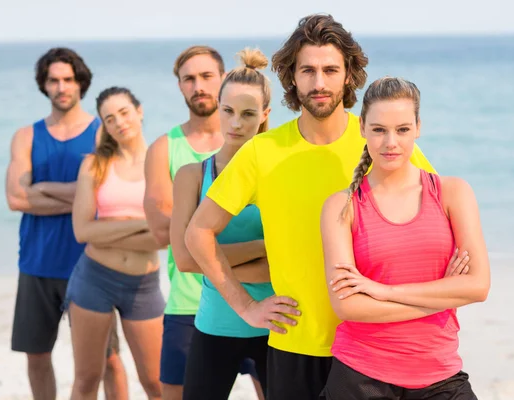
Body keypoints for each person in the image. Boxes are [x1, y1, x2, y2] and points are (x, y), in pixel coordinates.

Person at [184, 14, 437, 400]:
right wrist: (246, 306)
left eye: (330, 70)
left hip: (373, 346)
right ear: (291, 76)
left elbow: (435, 216)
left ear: (350, 75)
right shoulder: (261, 152)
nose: (319, 83)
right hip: (294, 346)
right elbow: (198, 233)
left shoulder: (380, 140)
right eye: (308, 70)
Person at [319, 76, 490, 399]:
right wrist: (442, 298)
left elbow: (478, 286)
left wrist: (384, 291)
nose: (390, 143)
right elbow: (349, 306)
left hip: (440, 373)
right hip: (360, 376)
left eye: (402, 129)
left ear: (418, 127)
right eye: (379, 129)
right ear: (362, 128)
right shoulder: (341, 206)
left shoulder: (453, 193)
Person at [5, 47, 127, 400]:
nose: (61, 87)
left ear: (80, 83)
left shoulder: (101, 133)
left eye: (68, 79)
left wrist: (41, 188)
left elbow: (108, 197)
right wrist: (79, 195)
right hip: (36, 266)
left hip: (91, 266)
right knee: (37, 355)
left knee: (109, 359)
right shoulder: (25, 137)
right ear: (44, 85)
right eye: (53, 80)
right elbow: (15, 199)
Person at [144, 45, 263, 399]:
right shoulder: (174, 155)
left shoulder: (271, 162)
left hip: (270, 311)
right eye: (189, 78)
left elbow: (290, 258)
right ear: (179, 85)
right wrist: (263, 248)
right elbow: (173, 243)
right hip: (192, 307)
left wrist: (209, 251)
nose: (198, 85)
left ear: (224, 78)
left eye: (207, 76)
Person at [67, 86, 165, 400]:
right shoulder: (94, 165)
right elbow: (82, 231)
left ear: (139, 111)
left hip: (143, 285)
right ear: (104, 126)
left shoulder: (162, 164)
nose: (119, 122)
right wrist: (140, 222)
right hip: (94, 278)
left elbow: (164, 237)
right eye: (109, 119)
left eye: (124, 112)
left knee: (157, 383)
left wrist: (108, 228)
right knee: (87, 379)